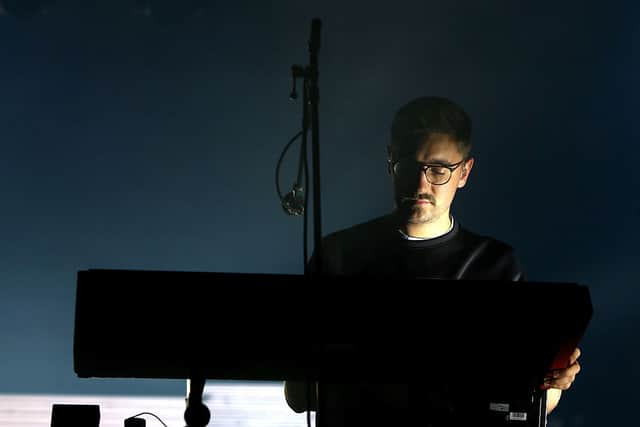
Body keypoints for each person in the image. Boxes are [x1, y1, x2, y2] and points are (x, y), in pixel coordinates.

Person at [284, 96, 582, 423]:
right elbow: (298, 395)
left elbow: (520, 401)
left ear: (465, 172)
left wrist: (553, 382)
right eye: (409, 167)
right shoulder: (337, 255)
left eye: (438, 170)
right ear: (390, 161)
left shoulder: (497, 266)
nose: (420, 184)